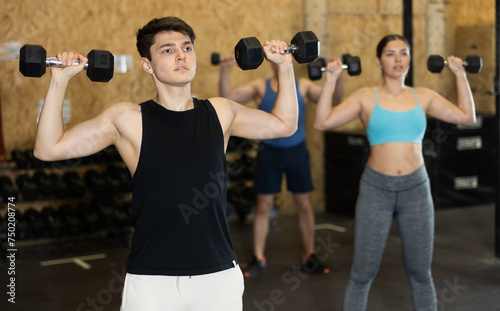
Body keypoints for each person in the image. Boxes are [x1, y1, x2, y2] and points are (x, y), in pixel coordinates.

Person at [33, 17, 300, 311]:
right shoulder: (127, 119)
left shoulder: (220, 113)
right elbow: (48, 149)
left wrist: (284, 67)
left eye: (187, 47)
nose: (181, 55)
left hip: (218, 275)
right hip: (151, 281)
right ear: (147, 64)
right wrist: (58, 81)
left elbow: (284, 125)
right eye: (168, 50)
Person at [313, 34, 476, 311]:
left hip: (416, 190)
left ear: (410, 59)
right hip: (376, 190)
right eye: (390, 54)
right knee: (362, 273)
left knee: (421, 273)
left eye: (403, 52)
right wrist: (330, 81)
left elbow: (467, 117)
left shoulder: (422, 95)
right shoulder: (365, 96)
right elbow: (322, 122)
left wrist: (460, 75)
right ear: (378, 61)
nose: (398, 59)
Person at [218, 54, 344, 277]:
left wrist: (338, 75)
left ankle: (309, 256)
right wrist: (225, 70)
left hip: (297, 151)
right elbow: (227, 97)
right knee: (264, 205)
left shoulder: (303, 86)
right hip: (269, 153)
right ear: (269, 61)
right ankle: (258, 258)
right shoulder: (260, 86)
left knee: (303, 204)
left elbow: (334, 100)